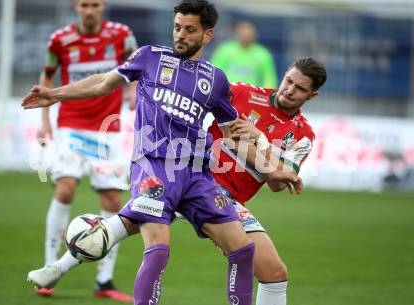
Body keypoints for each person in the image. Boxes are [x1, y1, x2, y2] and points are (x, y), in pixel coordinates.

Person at [23, 1, 302, 305]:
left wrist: (273, 170)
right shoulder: (149, 57)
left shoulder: (216, 80)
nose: (180, 34)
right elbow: (104, 82)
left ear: (207, 36)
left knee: (243, 249)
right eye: (177, 27)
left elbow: (234, 135)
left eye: (189, 29)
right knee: (158, 249)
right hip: (154, 167)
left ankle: (62, 263)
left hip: (197, 175)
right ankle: (63, 264)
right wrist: (54, 94)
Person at [33, 0, 137, 301]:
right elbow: (47, 75)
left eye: (94, 4)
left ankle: (104, 281)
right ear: (75, 7)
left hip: (108, 130)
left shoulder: (122, 35)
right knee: (65, 189)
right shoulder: (60, 39)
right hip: (72, 125)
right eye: (83, 4)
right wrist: (44, 119)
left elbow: (136, 66)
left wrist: (131, 91)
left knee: (113, 200)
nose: (89, 10)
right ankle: (48, 269)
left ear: (102, 6)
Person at [208, 57, 327, 305]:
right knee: (141, 218)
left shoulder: (303, 135)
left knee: (275, 274)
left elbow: (278, 183)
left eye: (300, 88)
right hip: (195, 181)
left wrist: (261, 140)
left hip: (228, 201)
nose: (290, 90)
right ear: (283, 76)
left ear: (311, 96)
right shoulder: (243, 93)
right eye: (288, 81)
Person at [211, 20, 278, 88]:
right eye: (242, 32)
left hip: (251, 95)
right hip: (226, 93)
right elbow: (214, 73)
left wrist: (267, 95)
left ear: (255, 34)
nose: (245, 35)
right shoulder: (225, 50)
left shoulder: (263, 54)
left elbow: (269, 79)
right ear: (236, 33)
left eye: (248, 33)